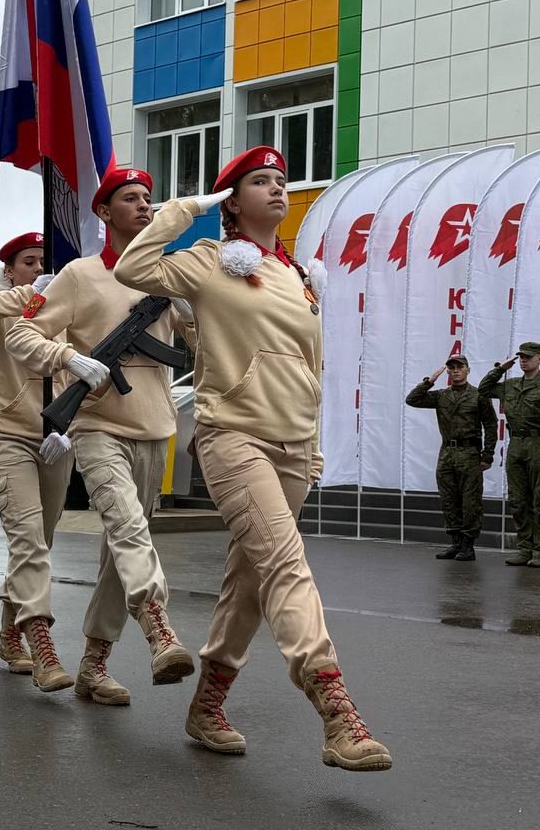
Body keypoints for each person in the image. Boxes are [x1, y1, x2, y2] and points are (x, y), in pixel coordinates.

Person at [115, 145, 392, 772]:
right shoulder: (211, 262)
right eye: (259, 182)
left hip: (292, 446)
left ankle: (207, 705)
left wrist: (315, 447)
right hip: (231, 436)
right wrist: (188, 209)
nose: (277, 189)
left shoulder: (298, 275)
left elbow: (310, 370)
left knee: (249, 582)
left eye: (281, 181)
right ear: (232, 202)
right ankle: (336, 710)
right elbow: (134, 266)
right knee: (287, 564)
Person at [7, 168, 195, 706]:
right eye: (130, 198)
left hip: (155, 424)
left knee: (120, 551)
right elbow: (23, 331)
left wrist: (190, 314)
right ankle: (159, 627)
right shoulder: (79, 275)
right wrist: (69, 358)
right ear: (104, 212)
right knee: (127, 525)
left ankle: (94, 662)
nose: (143, 206)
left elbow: (201, 347)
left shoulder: (167, 275)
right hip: (95, 424)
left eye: (148, 198)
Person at [0, 232, 74, 691]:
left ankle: (11, 630)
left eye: (41, 263)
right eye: (27, 262)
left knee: (39, 542)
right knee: (28, 540)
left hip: (55, 437)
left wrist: (73, 429)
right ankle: (40, 639)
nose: (36, 268)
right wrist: (31, 292)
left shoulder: (65, 306)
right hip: (7, 433)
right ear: (9, 270)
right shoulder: (1, 307)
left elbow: (83, 367)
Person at [478, 343, 540, 568]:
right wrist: (501, 368)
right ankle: (524, 548)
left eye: (528, 357)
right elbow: (484, 389)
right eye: (521, 357)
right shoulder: (511, 384)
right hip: (516, 443)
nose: (524, 361)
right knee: (518, 501)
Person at [405, 353, 498, 562]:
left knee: (470, 501)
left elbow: (491, 426)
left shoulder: (478, 395)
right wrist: (429, 381)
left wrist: (488, 454)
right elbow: (412, 399)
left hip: (469, 453)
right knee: (449, 499)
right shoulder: (441, 396)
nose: (455, 371)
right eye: (452, 367)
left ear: (467, 370)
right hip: (447, 453)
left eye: (459, 367)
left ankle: (468, 545)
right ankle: (455, 543)